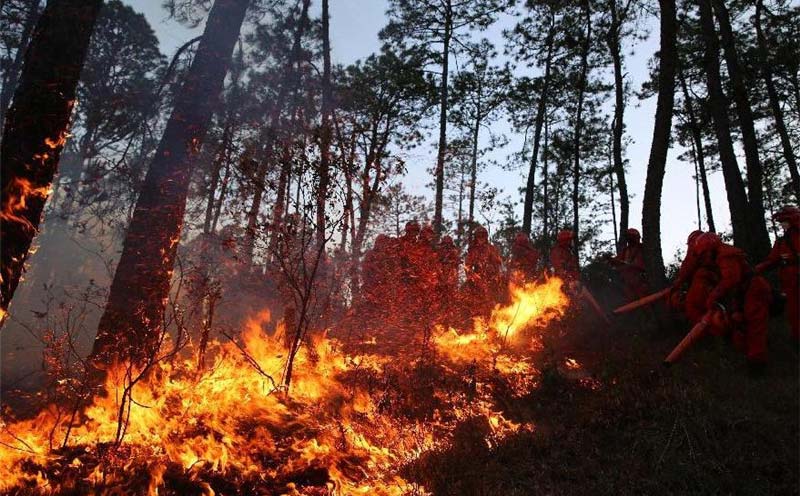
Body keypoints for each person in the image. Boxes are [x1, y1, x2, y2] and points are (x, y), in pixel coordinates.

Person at [691, 232, 772, 368]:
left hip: (753, 290)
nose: (705, 258)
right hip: (743, 292)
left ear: (710, 249)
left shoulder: (725, 256)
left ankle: (757, 364)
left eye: (705, 254)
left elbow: (731, 279)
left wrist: (713, 296)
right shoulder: (720, 256)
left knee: (754, 326)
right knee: (739, 323)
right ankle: (749, 357)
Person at [756, 205, 799, 342]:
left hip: (793, 278)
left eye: (784, 221)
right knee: (793, 312)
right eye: (781, 222)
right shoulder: (782, 241)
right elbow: (772, 260)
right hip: (789, 281)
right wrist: (755, 270)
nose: (782, 225)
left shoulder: (789, 240)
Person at [670, 230, 718, 324]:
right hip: (712, 285)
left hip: (703, 284)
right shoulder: (714, 249)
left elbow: (687, 268)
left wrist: (678, 283)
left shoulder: (697, 252)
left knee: (693, 307)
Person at [464, 225, 505, 316]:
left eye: (483, 236)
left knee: (492, 303)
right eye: (479, 236)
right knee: (475, 303)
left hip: (491, 280)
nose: (481, 238)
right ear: (476, 237)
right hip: (477, 281)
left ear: (486, 237)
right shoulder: (473, 251)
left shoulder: (491, 249)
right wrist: (472, 277)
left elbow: (498, 263)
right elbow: (467, 266)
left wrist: (496, 276)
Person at [610, 228, 648, 300]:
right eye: (628, 237)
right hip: (627, 283)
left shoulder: (643, 248)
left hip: (640, 281)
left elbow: (643, 265)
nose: (629, 239)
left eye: (631, 236)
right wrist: (611, 260)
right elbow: (617, 261)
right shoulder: (625, 251)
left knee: (644, 302)